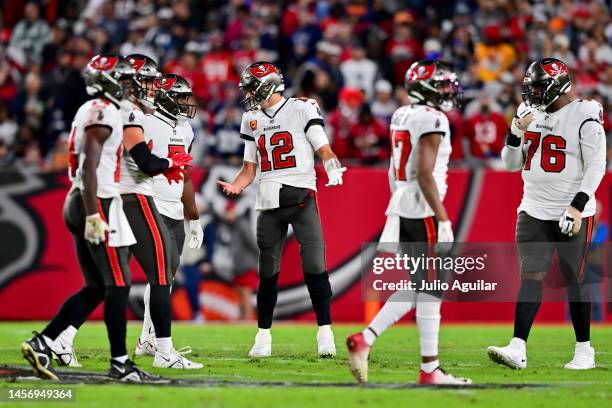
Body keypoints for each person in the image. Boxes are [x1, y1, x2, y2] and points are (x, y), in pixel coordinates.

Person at [20, 55, 154, 382]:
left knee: (96, 287)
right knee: (119, 284)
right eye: (122, 79)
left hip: (84, 198)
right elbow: (89, 166)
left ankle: (45, 341)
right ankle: (120, 363)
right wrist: (95, 213)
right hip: (97, 200)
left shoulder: (93, 108)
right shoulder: (102, 112)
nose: (128, 85)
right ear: (107, 81)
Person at [346, 60, 471, 385]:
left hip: (403, 204)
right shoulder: (432, 118)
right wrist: (442, 219)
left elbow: (394, 170)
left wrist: (399, 202)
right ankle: (430, 368)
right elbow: (426, 174)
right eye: (442, 85)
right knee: (432, 289)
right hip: (423, 208)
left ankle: (366, 339)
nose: (447, 91)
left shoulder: (402, 114)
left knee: (422, 286)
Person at [217, 62, 346, 358]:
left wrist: (331, 166)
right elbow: (249, 168)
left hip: (301, 198)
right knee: (267, 274)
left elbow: (323, 148)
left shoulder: (301, 107)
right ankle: (263, 337)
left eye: (251, 86)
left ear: (266, 84)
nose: (248, 93)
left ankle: (325, 333)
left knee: (315, 266)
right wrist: (237, 187)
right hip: (268, 202)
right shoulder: (251, 117)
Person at [488, 58, 606, 370]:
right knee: (531, 276)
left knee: (575, 278)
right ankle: (517, 347)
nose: (534, 93)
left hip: (571, 210)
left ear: (558, 85)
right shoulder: (532, 114)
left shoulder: (584, 112)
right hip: (533, 208)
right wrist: (514, 132)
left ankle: (584, 350)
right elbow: (511, 164)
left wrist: (578, 205)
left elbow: (597, 163)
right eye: (532, 86)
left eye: (539, 86)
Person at [118, 58, 202, 370]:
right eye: (180, 97)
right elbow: (143, 163)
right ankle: (157, 345)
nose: (185, 103)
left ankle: (148, 338)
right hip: (147, 202)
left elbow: (186, 175)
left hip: (173, 206)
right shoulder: (145, 120)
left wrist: (193, 217)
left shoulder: (187, 128)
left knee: (165, 276)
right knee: (127, 274)